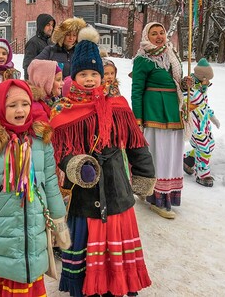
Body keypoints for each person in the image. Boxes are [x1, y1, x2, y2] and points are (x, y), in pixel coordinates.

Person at [50, 27, 156, 297]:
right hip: (84, 193)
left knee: (117, 235)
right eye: (83, 74)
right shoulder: (63, 108)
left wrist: (144, 173)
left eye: (93, 74)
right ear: (74, 76)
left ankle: (119, 282)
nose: (88, 79)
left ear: (102, 76)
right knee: (88, 237)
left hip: (116, 187)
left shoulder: (118, 104)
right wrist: (75, 165)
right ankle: (88, 286)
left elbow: (135, 143)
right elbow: (59, 152)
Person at [0, 79, 70, 296]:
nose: (20, 110)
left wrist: (59, 222)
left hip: (34, 237)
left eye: (25, 104)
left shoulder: (40, 139)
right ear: (0, 106)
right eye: (12, 105)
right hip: (1, 235)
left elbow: (51, 185)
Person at [131, 22, 192, 219]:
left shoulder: (171, 55)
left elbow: (175, 82)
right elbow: (137, 91)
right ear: (147, 37)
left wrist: (185, 83)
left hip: (173, 111)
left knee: (172, 155)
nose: (159, 36)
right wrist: (137, 118)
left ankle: (168, 194)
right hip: (153, 113)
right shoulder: (143, 59)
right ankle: (155, 196)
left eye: (161, 33)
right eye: (154, 33)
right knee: (157, 154)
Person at [183, 58, 220, 187]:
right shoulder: (189, 87)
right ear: (202, 77)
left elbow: (204, 105)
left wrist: (212, 117)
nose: (209, 82)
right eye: (208, 79)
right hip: (194, 124)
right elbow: (185, 102)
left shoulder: (202, 88)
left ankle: (188, 160)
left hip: (204, 124)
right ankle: (203, 175)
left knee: (211, 144)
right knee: (204, 148)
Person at [22, 13, 55, 79]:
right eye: (48, 25)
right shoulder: (33, 42)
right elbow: (28, 66)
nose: (51, 28)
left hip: (50, 81)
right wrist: (30, 85)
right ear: (41, 26)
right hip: (37, 82)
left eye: (52, 25)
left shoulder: (51, 42)